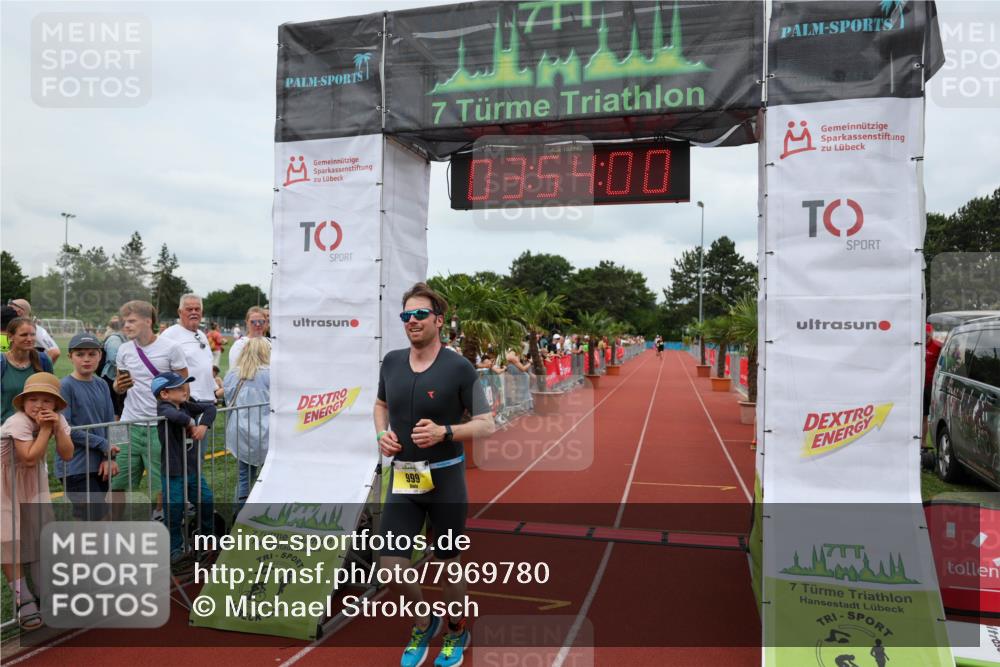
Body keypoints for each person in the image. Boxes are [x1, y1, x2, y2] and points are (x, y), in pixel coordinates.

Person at [375, 282, 494, 667]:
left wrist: (446, 432)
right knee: (390, 563)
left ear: (439, 321)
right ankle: (425, 621)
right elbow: (380, 405)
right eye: (406, 315)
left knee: (448, 564)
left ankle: (457, 630)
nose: (412, 321)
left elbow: (487, 423)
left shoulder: (458, 367)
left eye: (420, 314)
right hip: (404, 478)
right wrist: (382, 433)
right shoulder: (391, 361)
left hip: (444, 478)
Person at [1, 372, 73, 630]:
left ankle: (46, 589)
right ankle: (23, 598)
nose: (39, 405)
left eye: (46, 400)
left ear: (56, 404)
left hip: (31, 482)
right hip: (4, 483)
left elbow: (66, 454)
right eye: (33, 399)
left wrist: (56, 428)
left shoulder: (58, 419)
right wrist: (45, 429)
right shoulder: (18, 422)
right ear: (23, 402)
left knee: (37, 534)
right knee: (8, 539)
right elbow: (29, 457)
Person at [111, 300, 188, 518]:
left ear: (148, 321)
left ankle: (159, 520)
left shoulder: (171, 348)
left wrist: (172, 410)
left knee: (159, 481)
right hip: (127, 424)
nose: (126, 325)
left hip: (159, 426)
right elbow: (119, 385)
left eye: (132, 321)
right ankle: (114, 525)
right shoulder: (124, 350)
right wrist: (118, 386)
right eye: (124, 321)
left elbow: (184, 388)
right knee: (116, 479)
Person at [152, 372, 216, 574]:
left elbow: (210, 407)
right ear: (164, 394)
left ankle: (207, 538)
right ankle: (175, 549)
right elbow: (175, 417)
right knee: (175, 510)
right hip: (173, 472)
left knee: (206, 500)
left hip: (191, 469)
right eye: (179, 388)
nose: (184, 391)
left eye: (184, 387)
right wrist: (191, 423)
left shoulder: (187, 405)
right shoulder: (164, 408)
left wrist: (204, 425)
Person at [58, 333, 119, 521]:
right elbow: (66, 428)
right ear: (70, 357)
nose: (86, 359)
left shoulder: (102, 384)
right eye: (80, 354)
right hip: (75, 466)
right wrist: (102, 444)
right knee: (95, 518)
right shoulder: (65, 386)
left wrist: (109, 457)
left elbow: (110, 421)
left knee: (94, 517)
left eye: (92, 354)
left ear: (100, 356)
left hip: (100, 465)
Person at [161, 295, 216, 454]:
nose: (193, 312)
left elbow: (205, 365)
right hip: (188, 405)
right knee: (186, 457)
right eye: (189, 309)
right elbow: (164, 371)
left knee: (198, 456)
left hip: (206, 404)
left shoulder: (201, 334)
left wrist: (215, 390)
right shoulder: (170, 335)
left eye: (197, 309)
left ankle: (196, 480)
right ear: (179, 312)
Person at [223, 337, 270, 508]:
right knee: (269, 476)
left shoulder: (232, 375)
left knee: (244, 477)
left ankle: (239, 514)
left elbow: (227, 400)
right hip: (267, 432)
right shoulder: (271, 374)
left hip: (241, 432)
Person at [2, 318, 54, 423]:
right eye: (24, 335)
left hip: (36, 428)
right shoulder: (2, 362)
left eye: (33, 334)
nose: (29, 339)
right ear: (11, 337)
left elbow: (51, 395)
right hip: (5, 429)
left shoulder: (43, 361)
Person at [8, 300, 59, 365]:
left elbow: (54, 352)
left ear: (19, 312)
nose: (8, 312)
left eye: (10, 309)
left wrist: (41, 371)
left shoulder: (37, 329)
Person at [100, 315, 127, 418]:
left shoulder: (120, 338)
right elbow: (113, 359)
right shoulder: (115, 339)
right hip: (111, 377)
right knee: (115, 407)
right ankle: (115, 431)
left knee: (118, 406)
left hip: (116, 376)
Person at [923, 323, 944, 445]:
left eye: (927, 334)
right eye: (923, 334)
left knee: (934, 415)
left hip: (932, 386)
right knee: (923, 415)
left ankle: (930, 443)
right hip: (918, 385)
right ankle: (923, 443)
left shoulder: (938, 346)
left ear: (931, 334)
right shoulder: (916, 345)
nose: (925, 337)